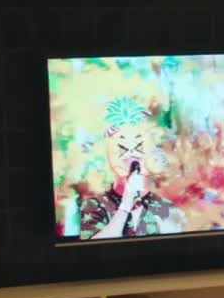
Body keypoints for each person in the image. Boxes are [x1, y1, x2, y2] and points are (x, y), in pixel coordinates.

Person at [79, 97, 185, 239]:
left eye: (138, 147)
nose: (131, 154)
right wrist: (125, 205)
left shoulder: (166, 208)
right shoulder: (95, 206)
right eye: (123, 148)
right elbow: (93, 249)